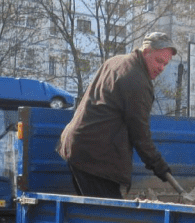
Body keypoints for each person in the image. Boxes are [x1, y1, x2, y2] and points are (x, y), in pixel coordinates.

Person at [58, 31, 179, 199]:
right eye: (159, 61)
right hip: (95, 158)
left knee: (92, 217)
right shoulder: (136, 81)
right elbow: (140, 133)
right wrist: (160, 167)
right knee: (109, 220)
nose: (161, 68)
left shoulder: (116, 62)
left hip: (78, 147)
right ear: (146, 52)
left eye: (165, 64)